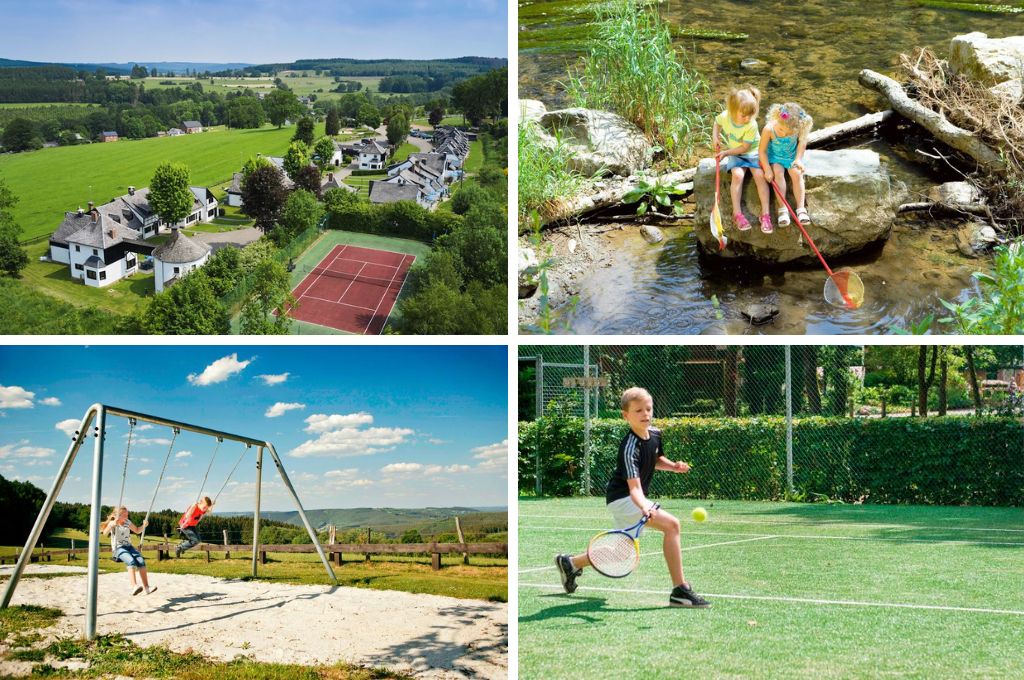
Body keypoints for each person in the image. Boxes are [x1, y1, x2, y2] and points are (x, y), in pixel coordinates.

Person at [555, 387, 711, 608]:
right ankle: (680, 590)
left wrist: (674, 467)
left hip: (631, 499)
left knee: (620, 553)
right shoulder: (629, 446)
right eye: (638, 410)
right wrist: (645, 507)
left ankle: (570, 563)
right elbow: (635, 489)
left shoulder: (655, 434)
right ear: (625, 415)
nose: (645, 414)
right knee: (672, 525)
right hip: (623, 498)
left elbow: (655, 459)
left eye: (648, 409)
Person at [713, 86, 773, 234]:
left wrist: (726, 153)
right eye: (743, 115)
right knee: (738, 175)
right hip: (736, 154)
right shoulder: (725, 116)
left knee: (760, 176)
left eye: (750, 115)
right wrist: (715, 137)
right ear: (733, 110)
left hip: (752, 152)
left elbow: (744, 148)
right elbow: (717, 123)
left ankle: (765, 214)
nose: (747, 119)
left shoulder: (751, 125)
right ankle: (737, 214)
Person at [758, 102, 814, 227]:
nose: (783, 133)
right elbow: (761, 151)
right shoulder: (769, 129)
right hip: (775, 158)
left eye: (788, 133)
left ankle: (801, 209)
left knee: (797, 173)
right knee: (778, 173)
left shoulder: (798, 128)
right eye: (781, 129)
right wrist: (767, 168)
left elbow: (802, 142)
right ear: (777, 117)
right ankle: (783, 210)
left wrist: (798, 159)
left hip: (791, 157)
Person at [100, 506, 157, 596]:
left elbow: (137, 530)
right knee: (131, 561)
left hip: (129, 547)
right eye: (124, 515)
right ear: (117, 515)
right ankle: (134, 586)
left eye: (127, 515)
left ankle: (147, 588)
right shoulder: (113, 523)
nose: (126, 517)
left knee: (141, 561)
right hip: (118, 548)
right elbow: (104, 533)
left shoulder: (127, 522)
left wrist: (144, 525)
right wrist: (111, 525)